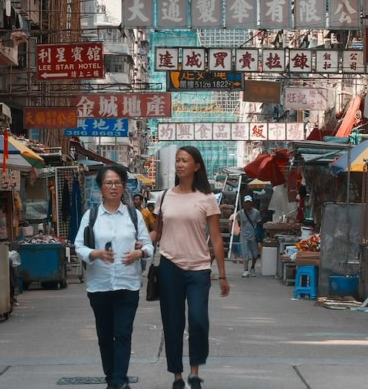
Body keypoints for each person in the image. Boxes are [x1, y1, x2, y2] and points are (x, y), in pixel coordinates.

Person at [152, 146, 230, 389]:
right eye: (177, 160)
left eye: (185, 160)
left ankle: (194, 372)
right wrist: (138, 243)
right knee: (172, 323)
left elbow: (216, 238)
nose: (179, 164)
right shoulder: (164, 197)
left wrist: (223, 275)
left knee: (198, 320)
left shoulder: (206, 198)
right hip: (169, 267)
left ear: (196, 166)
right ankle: (177, 375)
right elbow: (157, 232)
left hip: (198, 269)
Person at [74, 165, 153, 389]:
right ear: (100, 187)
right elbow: (79, 246)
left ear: (123, 186)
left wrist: (140, 252)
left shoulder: (134, 215)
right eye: (108, 183)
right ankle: (112, 378)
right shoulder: (91, 216)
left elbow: (148, 246)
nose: (113, 187)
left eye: (117, 182)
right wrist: (95, 253)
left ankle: (118, 381)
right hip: (99, 286)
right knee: (105, 337)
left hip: (128, 285)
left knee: (123, 333)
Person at [236, 196, 262, 277]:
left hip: (253, 235)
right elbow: (238, 222)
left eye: (249, 202)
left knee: (255, 253)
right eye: (246, 202)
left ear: (251, 203)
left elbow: (259, 223)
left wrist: (258, 234)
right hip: (244, 235)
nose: (247, 204)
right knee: (245, 253)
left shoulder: (256, 212)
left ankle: (252, 267)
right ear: (244, 203)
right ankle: (246, 270)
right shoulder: (240, 213)